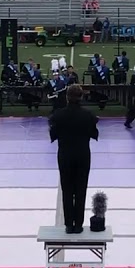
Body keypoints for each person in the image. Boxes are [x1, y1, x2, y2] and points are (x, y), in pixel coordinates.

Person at [49, 84, 99, 234]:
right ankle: (78, 224)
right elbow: (94, 134)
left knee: (67, 189)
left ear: (67, 98)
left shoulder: (58, 115)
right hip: (83, 155)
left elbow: (53, 135)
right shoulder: (88, 115)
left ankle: (68, 224)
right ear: (81, 97)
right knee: (80, 189)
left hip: (65, 156)